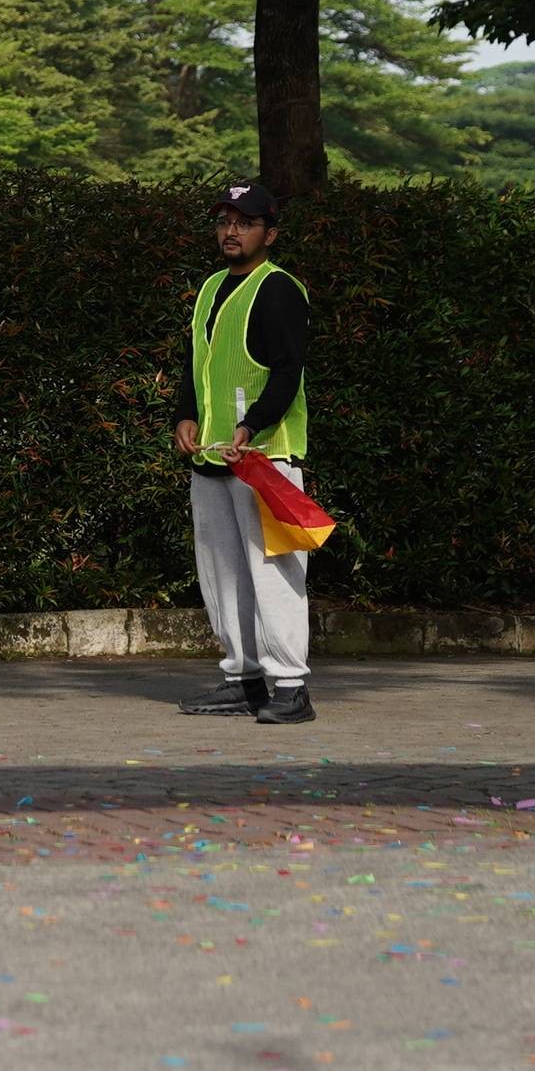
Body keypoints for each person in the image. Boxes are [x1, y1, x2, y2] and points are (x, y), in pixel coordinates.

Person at [173, 181, 316, 726]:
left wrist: (252, 425)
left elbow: (287, 372)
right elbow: (197, 364)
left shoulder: (278, 289)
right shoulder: (211, 287)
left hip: (264, 460)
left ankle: (291, 687)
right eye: (224, 221)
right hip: (211, 457)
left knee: (274, 573)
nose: (231, 231)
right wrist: (185, 414)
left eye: (245, 222)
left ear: (270, 234)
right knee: (223, 575)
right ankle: (244, 680)